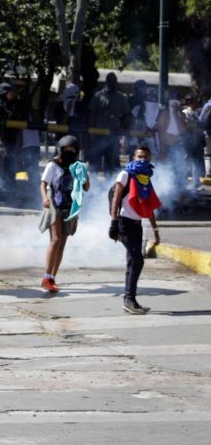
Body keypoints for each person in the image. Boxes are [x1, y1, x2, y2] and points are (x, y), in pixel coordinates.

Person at [109, 146, 162, 315]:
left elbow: (149, 205)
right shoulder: (125, 175)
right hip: (124, 222)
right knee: (137, 260)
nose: (142, 160)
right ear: (133, 157)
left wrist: (155, 230)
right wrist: (113, 223)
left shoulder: (145, 178)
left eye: (146, 157)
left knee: (132, 261)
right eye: (139, 156)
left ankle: (130, 300)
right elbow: (116, 200)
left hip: (137, 224)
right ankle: (129, 299)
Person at [38, 135, 90, 293]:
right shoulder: (53, 165)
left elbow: (86, 187)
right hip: (55, 204)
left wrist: (83, 175)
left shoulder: (78, 166)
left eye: (72, 150)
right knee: (55, 239)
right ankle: (46, 277)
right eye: (66, 150)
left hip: (70, 207)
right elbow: (43, 184)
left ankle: (53, 277)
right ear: (60, 150)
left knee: (63, 242)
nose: (69, 152)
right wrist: (45, 198)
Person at [88, 72, 131, 175]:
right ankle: (94, 187)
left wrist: (122, 127)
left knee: (111, 164)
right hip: (98, 135)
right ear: (106, 82)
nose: (111, 83)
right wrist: (91, 133)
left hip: (113, 135)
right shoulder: (98, 96)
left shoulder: (121, 97)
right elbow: (91, 114)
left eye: (113, 81)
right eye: (110, 81)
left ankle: (110, 187)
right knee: (95, 163)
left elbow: (127, 115)